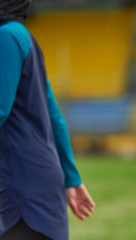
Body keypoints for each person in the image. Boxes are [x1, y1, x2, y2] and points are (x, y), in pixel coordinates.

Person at [0, 1, 95, 239]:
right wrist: (71, 178)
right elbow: (55, 116)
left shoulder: (6, 36)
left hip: (18, 183)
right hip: (37, 179)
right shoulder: (24, 37)